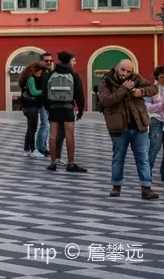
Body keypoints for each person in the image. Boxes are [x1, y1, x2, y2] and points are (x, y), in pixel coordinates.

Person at [97, 58, 159, 199]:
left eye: (128, 71)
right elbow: (106, 100)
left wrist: (141, 91)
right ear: (117, 68)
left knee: (142, 157)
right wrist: (124, 89)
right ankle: (116, 186)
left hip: (139, 125)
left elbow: (153, 88)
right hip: (119, 127)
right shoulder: (105, 81)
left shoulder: (136, 78)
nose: (125, 73)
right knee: (118, 157)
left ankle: (146, 188)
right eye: (123, 69)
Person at [46, 51, 87, 173]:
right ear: (69, 61)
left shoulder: (51, 75)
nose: (74, 63)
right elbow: (79, 95)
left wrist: (48, 107)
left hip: (53, 107)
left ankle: (53, 163)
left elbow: (45, 92)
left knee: (53, 135)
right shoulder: (74, 76)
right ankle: (70, 163)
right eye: (73, 60)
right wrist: (80, 109)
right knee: (70, 135)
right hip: (68, 107)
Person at [18, 60, 49, 157]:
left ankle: (27, 149)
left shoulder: (26, 78)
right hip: (30, 107)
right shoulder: (31, 79)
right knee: (32, 129)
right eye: (39, 73)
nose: (40, 75)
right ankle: (32, 149)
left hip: (27, 107)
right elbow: (34, 92)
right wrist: (45, 91)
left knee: (30, 128)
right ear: (34, 71)